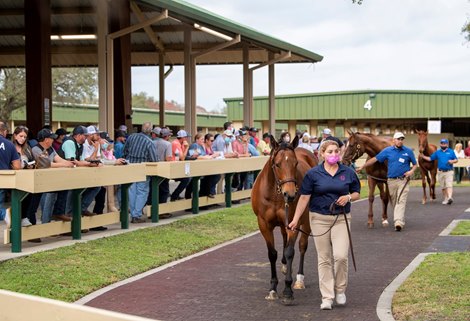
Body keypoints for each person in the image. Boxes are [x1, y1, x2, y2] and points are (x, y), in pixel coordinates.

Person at [288, 140, 360, 310]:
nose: (334, 154)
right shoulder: (313, 174)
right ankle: (327, 296)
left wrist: (349, 197)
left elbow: (357, 192)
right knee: (324, 258)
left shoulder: (348, 172)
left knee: (341, 256)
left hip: (341, 218)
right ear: (322, 154)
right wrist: (296, 219)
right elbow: (304, 197)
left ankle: (340, 289)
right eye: (330, 152)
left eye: (336, 151)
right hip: (319, 219)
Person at [356, 132, 417, 231]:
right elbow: (374, 159)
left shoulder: (408, 151)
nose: (400, 141)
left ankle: (398, 222)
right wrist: (363, 166)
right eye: (398, 139)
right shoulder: (387, 151)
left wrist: (411, 171)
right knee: (394, 201)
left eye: (402, 139)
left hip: (403, 180)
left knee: (401, 200)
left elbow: (415, 164)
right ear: (394, 140)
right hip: (391, 181)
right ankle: (399, 217)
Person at [123, 121, 158, 223]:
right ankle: (136, 215)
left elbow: (125, 151)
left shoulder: (131, 137)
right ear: (151, 131)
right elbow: (154, 159)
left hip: (131, 167)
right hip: (143, 169)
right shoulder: (149, 142)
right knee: (142, 192)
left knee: (132, 191)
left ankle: (133, 213)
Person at [420, 138, 458, 205]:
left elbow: (456, 160)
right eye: (442, 143)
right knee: (443, 187)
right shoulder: (437, 152)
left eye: (444, 143)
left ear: (447, 144)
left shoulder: (451, 151)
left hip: (449, 171)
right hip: (440, 172)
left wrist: (452, 161)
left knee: (449, 185)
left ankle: (449, 197)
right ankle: (446, 199)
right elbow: (430, 158)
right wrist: (423, 156)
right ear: (440, 144)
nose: (443, 145)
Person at [0, 121, 21, 226]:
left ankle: (3, 213)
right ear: (4, 131)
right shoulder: (9, 144)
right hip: (3, 179)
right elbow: (17, 166)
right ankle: (3, 213)